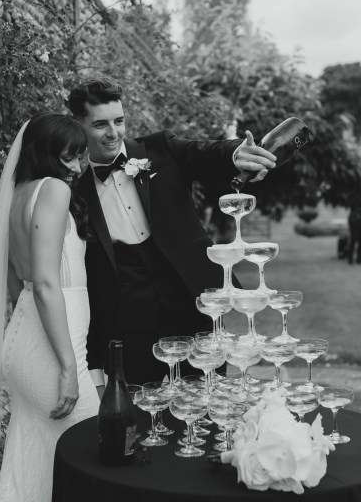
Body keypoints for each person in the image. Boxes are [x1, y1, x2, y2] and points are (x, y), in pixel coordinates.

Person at [68, 77, 277, 386]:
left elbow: (204, 152)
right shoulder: (77, 193)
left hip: (192, 304)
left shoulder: (160, 148)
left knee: (208, 400)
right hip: (130, 326)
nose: (113, 133)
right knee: (148, 414)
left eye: (119, 121)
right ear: (78, 125)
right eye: (100, 125)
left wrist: (235, 155)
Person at [0, 111, 102, 502]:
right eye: (68, 157)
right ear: (44, 154)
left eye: (79, 157)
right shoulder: (53, 191)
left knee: (30, 459)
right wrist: (69, 367)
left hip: (22, 342)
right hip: (54, 352)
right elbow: (43, 283)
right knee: (92, 453)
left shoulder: (13, 195)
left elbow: (15, 283)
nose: (76, 168)